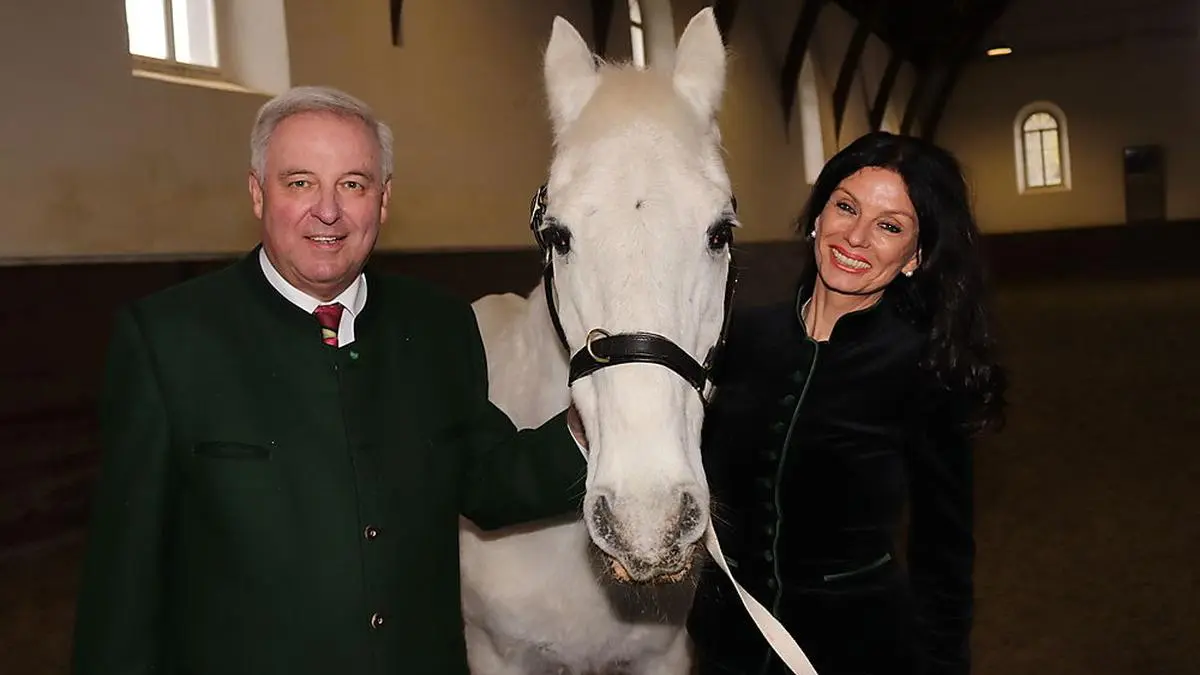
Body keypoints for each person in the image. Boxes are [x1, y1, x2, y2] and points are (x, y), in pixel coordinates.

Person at [70, 85, 588, 675]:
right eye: (299, 182)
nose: (328, 210)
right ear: (257, 193)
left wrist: (595, 421)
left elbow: (490, 481)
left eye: (353, 183)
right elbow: (124, 585)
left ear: (384, 200)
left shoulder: (438, 326)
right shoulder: (169, 341)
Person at [688, 131, 1008, 675]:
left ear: (916, 256)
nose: (856, 237)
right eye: (845, 207)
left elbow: (943, 553)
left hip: (857, 649)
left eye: (889, 226)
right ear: (818, 215)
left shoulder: (924, 372)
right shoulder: (736, 337)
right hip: (728, 645)